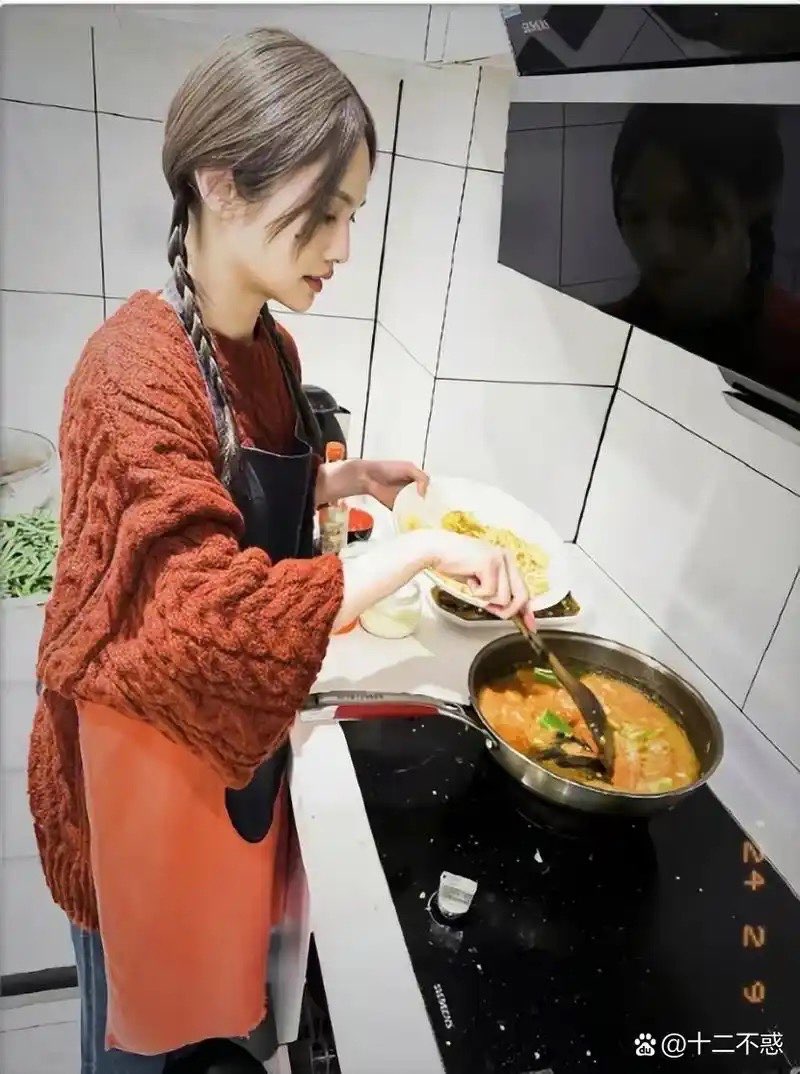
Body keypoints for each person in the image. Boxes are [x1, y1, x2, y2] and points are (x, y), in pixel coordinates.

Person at [28, 28, 535, 1074]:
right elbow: (201, 614)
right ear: (220, 183)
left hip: (217, 751)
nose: (342, 247)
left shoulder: (267, 342)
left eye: (353, 216)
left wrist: (340, 482)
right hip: (131, 777)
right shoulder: (129, 372)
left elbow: (222, 490)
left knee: (201, 1015)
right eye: (327, 212)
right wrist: (416, 554)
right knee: (129, 1043)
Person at [605, 103, 799, 397]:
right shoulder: (602, 338)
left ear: (753, 208)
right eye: (637, 217)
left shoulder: (792, 349)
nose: (659, 247)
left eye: (690, 218)